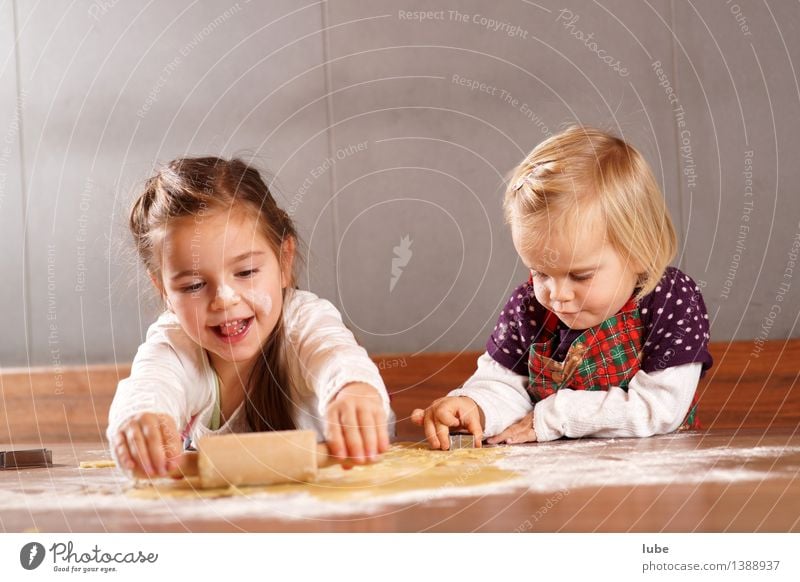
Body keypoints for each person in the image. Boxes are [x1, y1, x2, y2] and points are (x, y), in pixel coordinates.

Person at [412, 126, 713, 449]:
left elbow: (659, 409)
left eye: (580, 276)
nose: (557, 295)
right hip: (552, 480)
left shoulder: (671, 299)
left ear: (640, 251)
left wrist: (553, 415)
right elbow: (506, 386)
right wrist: (476, 406)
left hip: (655, 477)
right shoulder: (529, 306)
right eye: (540, 273)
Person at [107, 157, 393, 478]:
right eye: (194, 285)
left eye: (245, 272)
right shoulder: (176, 343)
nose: (224, 300)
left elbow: (333, 354)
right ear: (163, 289)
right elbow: (150, 384)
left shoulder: (302, 322)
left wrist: (352, 390)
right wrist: (141, 420)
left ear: (284, 262)